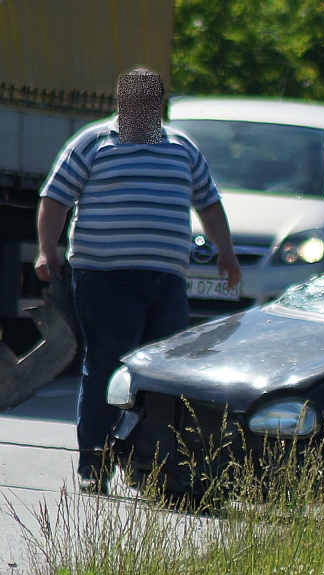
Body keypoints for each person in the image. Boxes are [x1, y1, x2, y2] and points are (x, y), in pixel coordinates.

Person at [34, 68, 241, 494]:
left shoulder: (182, 147)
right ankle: (94, 462)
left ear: (158, 107)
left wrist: (226, 252)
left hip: (165, 281)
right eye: (131, 103)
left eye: (147, 104)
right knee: (107, 364)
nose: (138, 111)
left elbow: (209, 202)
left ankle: (154, 463)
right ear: (119, 103)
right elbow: (56, 197)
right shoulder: (92, 143)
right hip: (104, 278)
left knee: (166, 374)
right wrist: (46, 248)